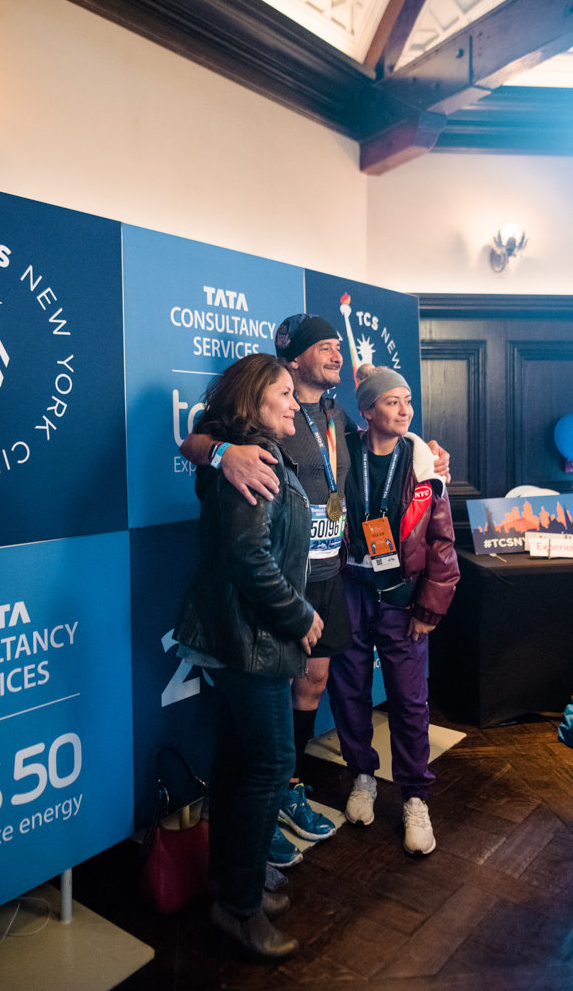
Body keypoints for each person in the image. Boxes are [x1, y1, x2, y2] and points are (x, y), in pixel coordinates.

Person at [181, 314, 451, 867]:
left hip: (332, 574)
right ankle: (255, 816)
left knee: (315, 683)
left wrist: (429, 456)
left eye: (337, 345)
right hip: (283, 578)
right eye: (323, 346)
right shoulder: (261, 410)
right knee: (260, 708)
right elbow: (194, 440)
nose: (334, 352)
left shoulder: (336, 414)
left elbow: (382, 441)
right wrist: (222, 454)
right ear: (292, 358)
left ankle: (287, 790)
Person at [174, 353, 323, 961]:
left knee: (239, 761)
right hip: (250, 640)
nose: (294, 402)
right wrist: (301, 616)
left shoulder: (255, 451)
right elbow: (247, 558)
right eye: (283, 393)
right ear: (251, 403)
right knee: (270, 763)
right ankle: (238, 907)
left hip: (245, 637)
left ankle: (233, 877)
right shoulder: (247, 458)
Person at [327, 365, 460, 855]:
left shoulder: (422, 461)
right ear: (366, 411)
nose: (405, 409)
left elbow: (442, 540)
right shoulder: (343, 452)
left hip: (403, 597)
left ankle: (414, 798)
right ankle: (362, 774)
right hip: (351, 589)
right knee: (348, 692)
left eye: (408, 400)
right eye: (392, 401)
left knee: (408, 700)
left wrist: (431, 605)